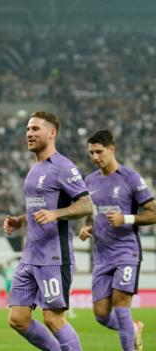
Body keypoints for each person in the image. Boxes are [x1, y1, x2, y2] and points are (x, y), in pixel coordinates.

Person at [3, 111, 92, 351]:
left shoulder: (63, 166)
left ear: (52, 133)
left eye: (35, 129)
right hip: (30, 256)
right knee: (18, 319)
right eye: (28, 129)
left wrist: (56, 214)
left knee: (53, 318)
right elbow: (40, 208)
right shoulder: (35, 169)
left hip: (54, 258)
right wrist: (22, 220)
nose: (29, 134)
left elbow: (86, 204)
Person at [78, 130, 154, 351]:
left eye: (99, 152)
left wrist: (126, 218)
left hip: (125, 253)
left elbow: (153, 212)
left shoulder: (130, 178)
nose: (95, 157)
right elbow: (88, 208)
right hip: (101, 256)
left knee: (121, 306)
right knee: (101, 315)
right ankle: (133, 327)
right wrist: (86, 226)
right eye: (91, 153)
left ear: (112, 150)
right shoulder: (90, 180)